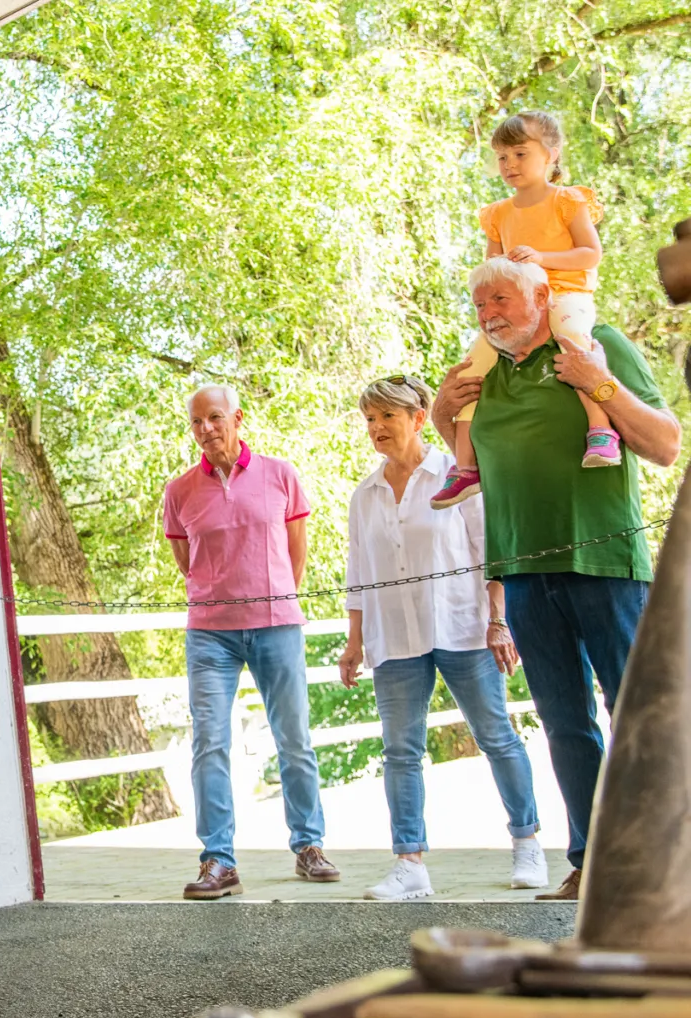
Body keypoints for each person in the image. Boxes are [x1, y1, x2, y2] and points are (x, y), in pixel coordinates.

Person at [433, 256, 680, 901]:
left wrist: (598, 385)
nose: (489, 316)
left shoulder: (598, 347)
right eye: (480, 306)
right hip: (521, 570)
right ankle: (591, 861)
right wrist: (442, 413)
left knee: (636, 715)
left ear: (542, 296)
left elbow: (664, 444)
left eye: (502, 301)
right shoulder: (486, 374)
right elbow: (473, 465)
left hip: (605, 565)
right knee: (564, 722)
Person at [338, 374, 547, 901]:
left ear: (416, 416)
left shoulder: (457, 475)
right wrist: (354, 641)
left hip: (461, 625)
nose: (377, 427)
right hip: (395, 637)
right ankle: (409, 865)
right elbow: (357, 572)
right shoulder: (365, 495)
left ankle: (527, 843)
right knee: (400, 751)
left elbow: (491, 550)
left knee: (496, 735)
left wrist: (499, 621)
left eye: (387, 416)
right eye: (369, 419)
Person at [163, 385, 337, 900]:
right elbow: (185, 563)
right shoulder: (179, 491)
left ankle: (309, 846)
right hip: (210, 635)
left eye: (215, 418)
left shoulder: (280, 474)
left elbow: (295, 549)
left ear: (238, 419)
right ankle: (218, 860)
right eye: (196, 422)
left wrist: (275, 597)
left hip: (276, 624)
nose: (206, 429)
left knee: (294, 738)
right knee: (209, 744)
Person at [435, 111, 613, 509]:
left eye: (519, 153)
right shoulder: (498, 213)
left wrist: (540, 257)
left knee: (574, 342)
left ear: (551, 154)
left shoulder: (567, 201)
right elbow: (489, 271)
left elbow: (590, 254)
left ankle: (600, 431)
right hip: (518, 306)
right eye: (502, 157)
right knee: (472, 365)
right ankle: (465, 468)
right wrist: (495, 290)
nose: (509, 164)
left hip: (564, 294)